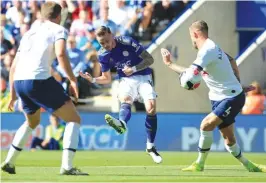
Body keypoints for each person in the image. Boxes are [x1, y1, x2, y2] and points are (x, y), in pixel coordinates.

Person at [160, 20, 266, 172]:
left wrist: (186, 82)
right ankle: (250, 166)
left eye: (191, 36)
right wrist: (170, 64)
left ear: (195, 34)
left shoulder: (207, 51)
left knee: (206, 125)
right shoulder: (210, 49)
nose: (191, 39)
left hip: (230, 99)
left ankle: (199, 164)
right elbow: (229, 62)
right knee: (229, 140)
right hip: (221, 98)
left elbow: (190, 77)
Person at [1, 2, 87, 175]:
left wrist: (12, 93)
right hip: (38, 80)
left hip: (20, 81)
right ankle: (67, 167)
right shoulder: (58, 29)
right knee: (74, 119)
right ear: (59, 15)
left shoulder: (29, 33)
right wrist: (72, 79)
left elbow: (14, 66)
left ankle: (9, 162)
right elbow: (61, 54)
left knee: (32, 122)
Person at [79, 26, 162, 164]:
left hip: (143, 76)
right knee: (126, 99)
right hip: (126, 80)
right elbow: (106, 78)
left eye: (106, 41)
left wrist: (134, 68)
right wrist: (93, 79)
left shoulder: (127, 42)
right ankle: (122, 123)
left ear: (112, 35)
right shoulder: (103, 54)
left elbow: (150, 59)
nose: (105, 45)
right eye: (102, 43)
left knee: (151, 108)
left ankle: (150, 146)